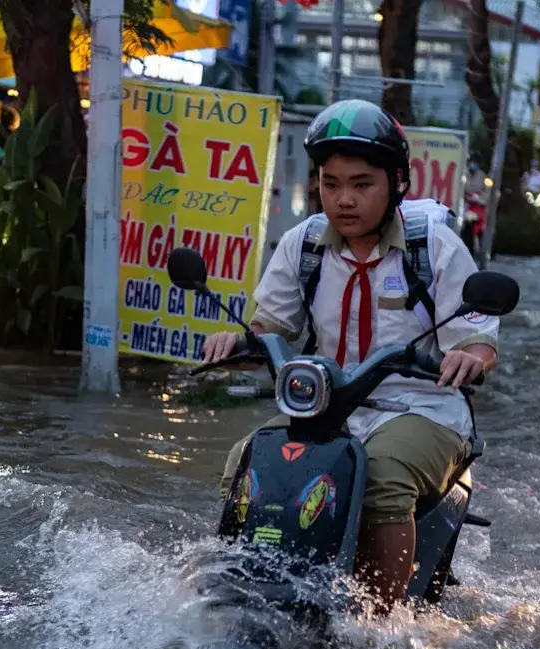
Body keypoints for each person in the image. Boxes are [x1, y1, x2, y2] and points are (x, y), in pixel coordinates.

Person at [202, 99, 499, 613]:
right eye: (330, 183)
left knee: (381, 475)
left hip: (422, 406)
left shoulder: (436, 249)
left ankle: (378, 625)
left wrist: (470, 358)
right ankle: (232, 595)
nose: (343, 199)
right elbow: (268, 328)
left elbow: (476, 340)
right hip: (328, 407)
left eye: (361, 184)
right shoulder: (304, 245)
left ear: (397, 182)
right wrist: (237, 342)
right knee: (246, 460)